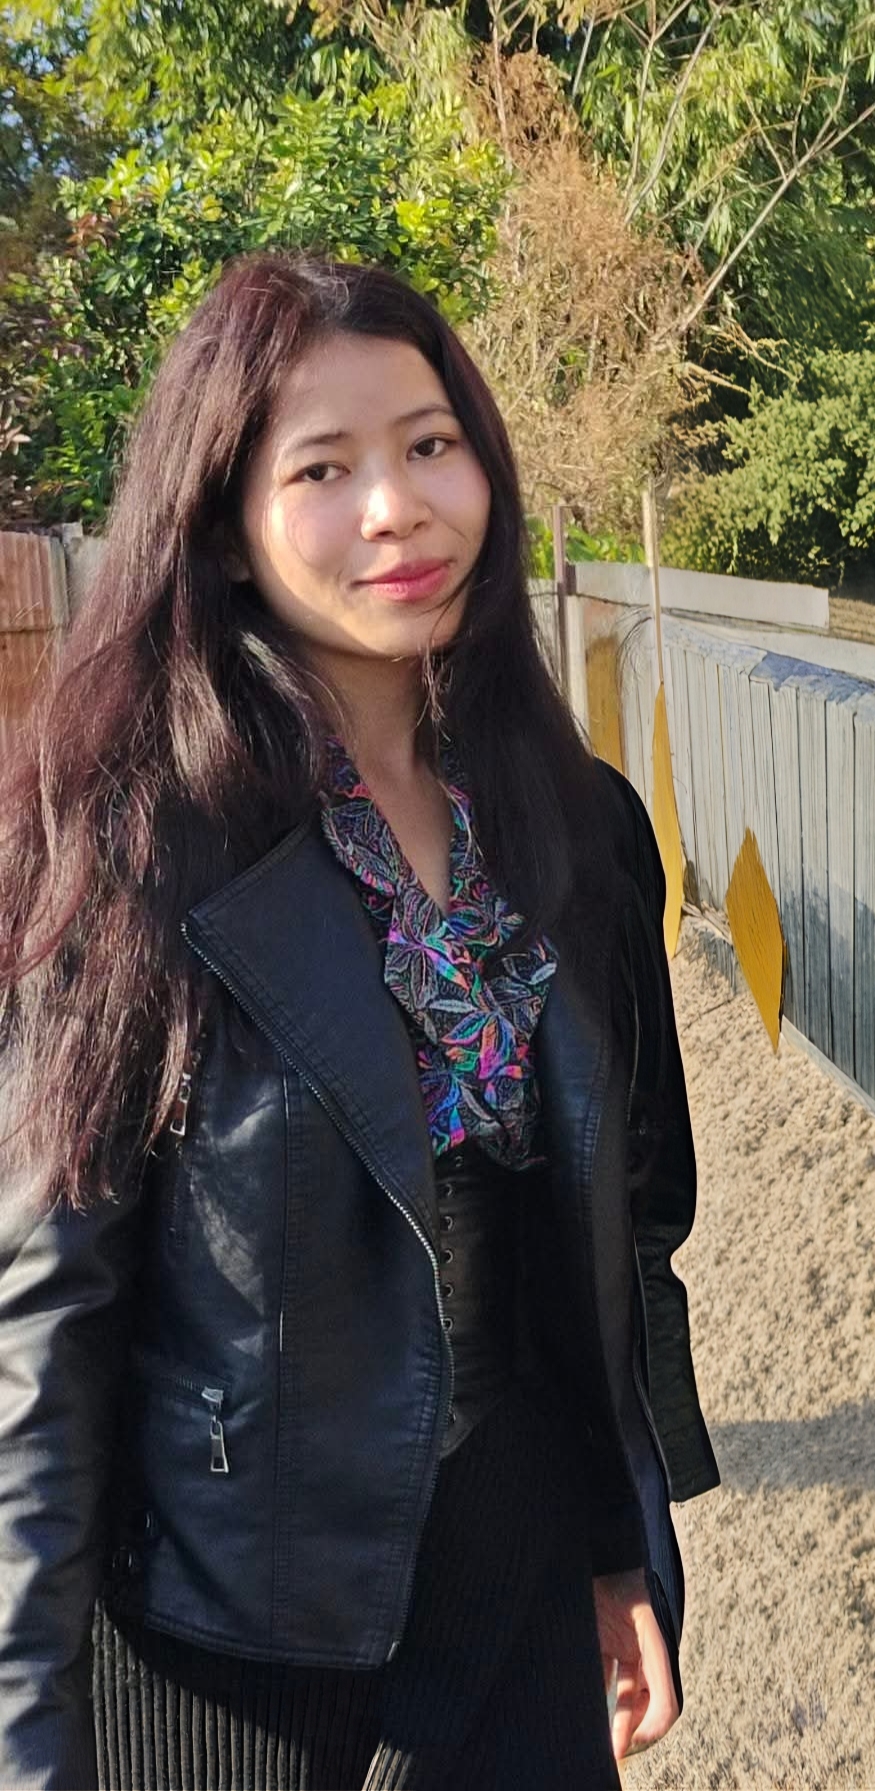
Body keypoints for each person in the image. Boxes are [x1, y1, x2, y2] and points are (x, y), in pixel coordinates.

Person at [0, 251, 719, 1791]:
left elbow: (611, 1228)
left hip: (517, 1570)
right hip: (236, 1644)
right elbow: (40, 1335)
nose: (396, 508)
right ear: (223, 523)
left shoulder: (573, 821)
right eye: (322, 468)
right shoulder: (123, 845)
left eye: (429, 444)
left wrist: (619, 1544)